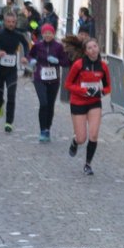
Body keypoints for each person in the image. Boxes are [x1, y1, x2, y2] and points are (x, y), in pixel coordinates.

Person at [62, 37, 111, 175]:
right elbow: (68, 85)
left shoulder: (103, 66)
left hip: (94, 102)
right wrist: (83, 91)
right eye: (89, 48)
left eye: (95, 46)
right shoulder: (78, 65)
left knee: (94, 135)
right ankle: (75, 141)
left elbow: (108, 87)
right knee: (81, 138)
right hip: (78, 102)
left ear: (98, 48)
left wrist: (101, 92)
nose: (93, 50)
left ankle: (88, 164)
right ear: (86, 52)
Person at [0, 9, 30, 130]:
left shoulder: (18, 35)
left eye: (13, 22)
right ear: (4, 22)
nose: (11, 24)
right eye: (8, 22)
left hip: (12, 70)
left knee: (11, 95)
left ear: (16, 22)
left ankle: (9, 122)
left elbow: (26, 45)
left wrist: (25, 56)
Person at [27, 23, 66, 143]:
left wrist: (57, 61)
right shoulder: (37, 45)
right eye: (45, 33)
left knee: (50, 105)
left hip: (54, 80)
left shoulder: (58, 47)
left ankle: (48, 128)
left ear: (53, 34)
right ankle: (42, 130)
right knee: (43, 103)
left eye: (50, 33)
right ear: (42, 34)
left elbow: (66, 62)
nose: (47, 35)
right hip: (39, 78)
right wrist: (32, 60)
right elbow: (29, 55)